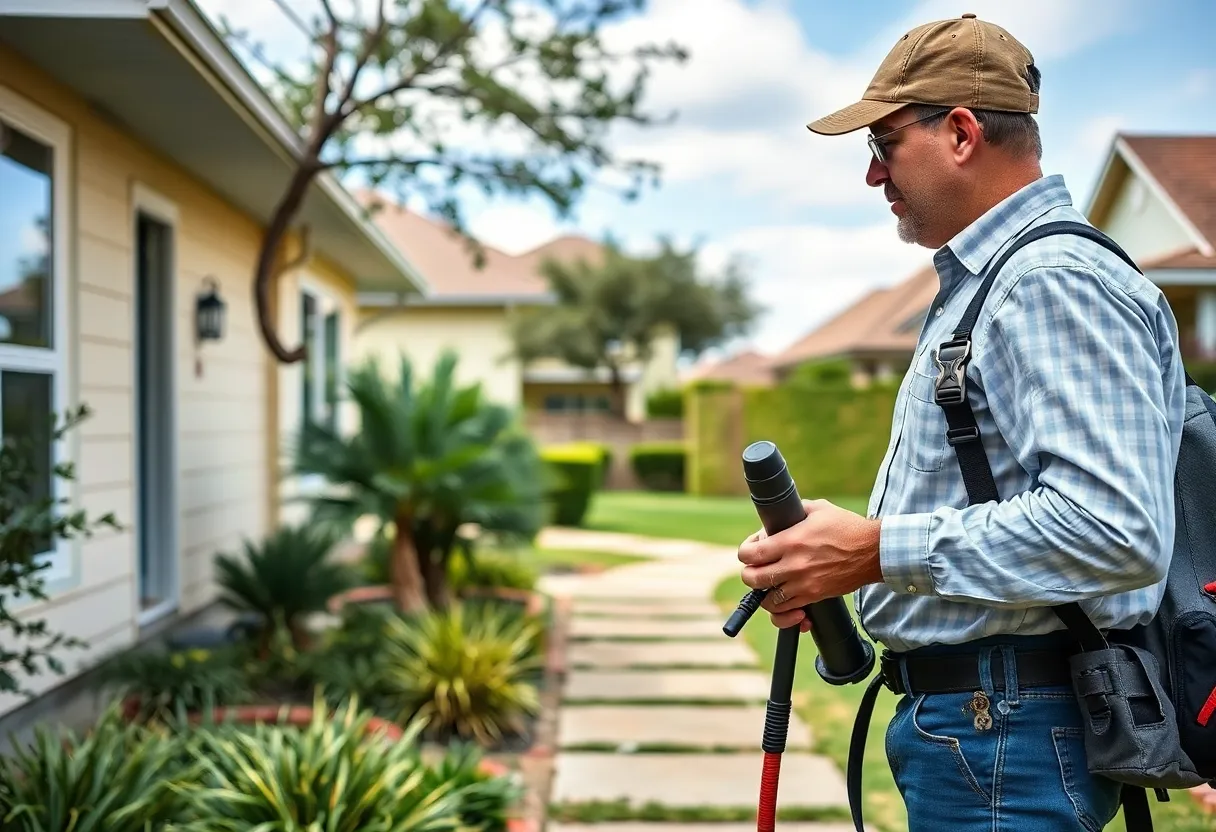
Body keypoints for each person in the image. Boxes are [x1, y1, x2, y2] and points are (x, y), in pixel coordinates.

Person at [735, 13, 1187, 831]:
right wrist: (837, 563)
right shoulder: (997, 284)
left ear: (961, 131)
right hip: (990, 726)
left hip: (1005, 732)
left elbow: (1115, 528)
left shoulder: (1049, 282)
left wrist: (872, 550)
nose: (874, 175)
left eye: (882, 143)